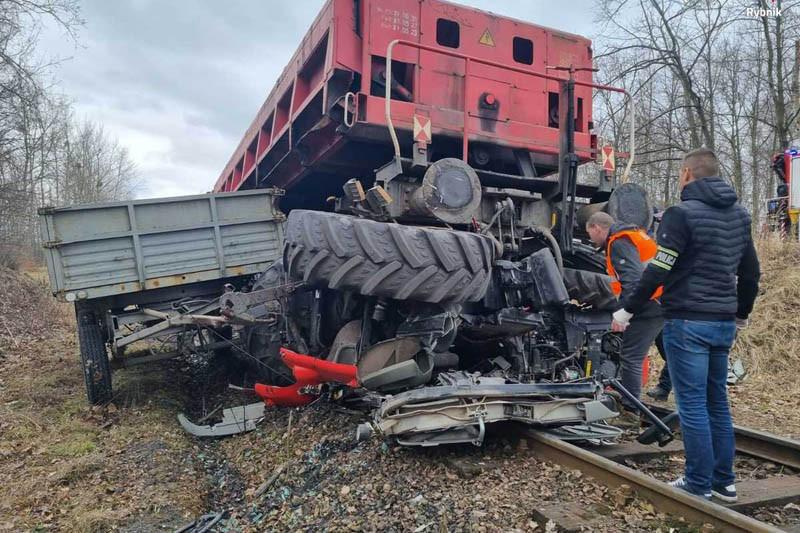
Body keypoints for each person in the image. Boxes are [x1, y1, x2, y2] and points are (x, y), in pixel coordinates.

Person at [612, 148, 761, 502]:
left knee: (693, 404)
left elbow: (659, 269)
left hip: (687, 321)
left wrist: (627, 310)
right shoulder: (740, 215)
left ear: (687, 174)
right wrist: (741, 313)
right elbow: (751, 272)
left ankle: (697, 482)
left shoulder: (680, 215)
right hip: (723, 322)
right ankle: (724, 482)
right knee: (717, 402)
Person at [585, 211, 663, 417]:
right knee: (671, 351)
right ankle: (668, 392)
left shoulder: (618, 242)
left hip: (650, 303)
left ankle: (631, 410)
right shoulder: (633, 234)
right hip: (666, 299)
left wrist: (625, 313)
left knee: (631, 356)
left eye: (590, 233)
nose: (590, 238)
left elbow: (634, 281)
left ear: (597, 228)